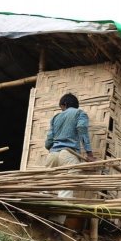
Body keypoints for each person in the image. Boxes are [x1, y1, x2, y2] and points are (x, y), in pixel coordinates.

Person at [44, 93, 95, 223]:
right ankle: (56, 225)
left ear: (64, 104)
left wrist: (54, 144)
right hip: (68, 154)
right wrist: (89, 154)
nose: (61, 109)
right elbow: (82, 129)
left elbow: (48, 142)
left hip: (53, 155)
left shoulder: (55, 118)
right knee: (66, 190)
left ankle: (38, 215)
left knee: (45, 186)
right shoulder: (80, 114)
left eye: (61, 107)